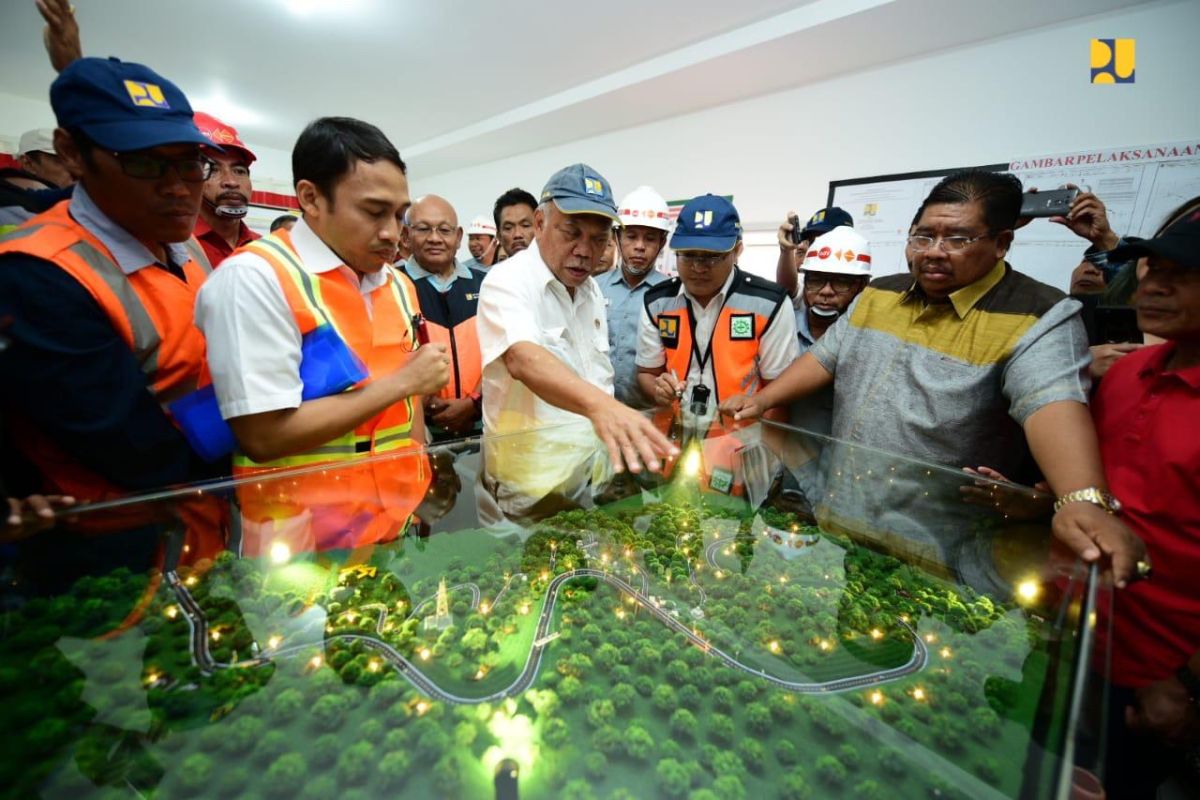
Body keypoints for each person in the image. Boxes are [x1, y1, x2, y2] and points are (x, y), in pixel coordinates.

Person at [722, 169, 1145, 585]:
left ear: (1001, 243)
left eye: (958, 239)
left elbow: (1051, 403)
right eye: (923, 236)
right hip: (846, 521)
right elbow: (825, 359)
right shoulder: (879, 294)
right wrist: (761, 401)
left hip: (942, 550)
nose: (934, 251)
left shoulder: (1039, 314)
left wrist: (1081, 498)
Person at [0, 57, 220, 501]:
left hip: (205, 511)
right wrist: (272, 427)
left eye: (191, 163)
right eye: (145, 164)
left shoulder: (180, 241)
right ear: (73, 153)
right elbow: (137, 451)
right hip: (112, 536)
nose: (178, 187)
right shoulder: (37, 275)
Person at [194, 116, 449, 474]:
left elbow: (411, 409)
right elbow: (263, 436)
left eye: (399, 215)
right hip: (300, 522)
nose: (392, 233)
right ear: (311, 198)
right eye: (374, 212)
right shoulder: (254, 279)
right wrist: (404, 382)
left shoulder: (398, 284)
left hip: (396, 516)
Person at [1088, 216, 1200, 799]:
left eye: (1181, 276)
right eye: (1152, 269)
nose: (1151, 287)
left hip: (1162, 675)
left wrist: (1181, 681)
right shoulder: (1127, 372)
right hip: (1079, 638)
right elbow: (1109, 491)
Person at [476, 163, 676, 486]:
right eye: (571, 234)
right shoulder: (507, 280)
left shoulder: (591, 289)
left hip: (587, 472)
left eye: (598, 240)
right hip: (527, 481)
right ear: (540, 223)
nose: (585, 251)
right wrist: (605, 408)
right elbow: (522, 358)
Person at [638, 193, 798, 418]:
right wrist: (658, 390)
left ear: (737, 251)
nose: (698, 268)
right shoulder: (657, 302)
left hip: (741, 439)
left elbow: (779, 393)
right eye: (688, 255)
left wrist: (768, 449)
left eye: (712, 257)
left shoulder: (769, 304)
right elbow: (647, 372)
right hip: (676, 435)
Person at [401, 194, 485, 441]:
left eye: (444, 230)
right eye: (424, 229)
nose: (435, 238)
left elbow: (503, 354)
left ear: (458, 237)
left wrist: (474, 402)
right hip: (417, 430)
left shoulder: (486, 284)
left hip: (485, 425)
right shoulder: (393, 285)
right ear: (406, 236)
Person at [787, 225, 872, 435]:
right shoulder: (783, 327)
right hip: (780, 452)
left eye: (841, 282)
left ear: (862, 286)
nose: (826, 291)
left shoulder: (870, 341)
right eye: (815, 280)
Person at [599, 185, 670, 408]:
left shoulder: (672, 295)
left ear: (662, 243)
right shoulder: (594, 288)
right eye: (631, 236)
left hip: (651, 415)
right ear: (617, 237)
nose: (639, 246)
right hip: (598, 411)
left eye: (649, 238)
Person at [191, 111, 260, 266]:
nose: (231, 182)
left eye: (239, 171)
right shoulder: (176, 247)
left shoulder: (264, 248)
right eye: (214, 170)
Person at [774, 205, 854, 312]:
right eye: (812, 241)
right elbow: (787, 289)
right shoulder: (807, 279)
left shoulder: (860, 281)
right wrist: (786, 250)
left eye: (825, 239)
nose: (818, 247)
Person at [492, 187, 537, 257]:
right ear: (499, 236)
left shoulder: (556, 267)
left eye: (525, 225)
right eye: (508, 228)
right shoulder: (497, 268)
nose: (517, 235)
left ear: (540, 228)